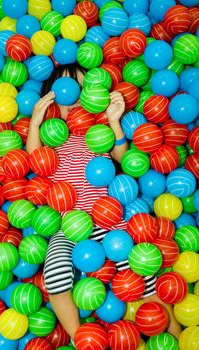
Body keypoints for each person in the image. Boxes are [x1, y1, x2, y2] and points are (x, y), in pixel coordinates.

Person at [26, 63, 181, 341]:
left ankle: (177, 335)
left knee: (142, 274)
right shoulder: (53, 140)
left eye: (82, 89)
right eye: (65, 91)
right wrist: (36, 122)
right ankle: (80, 336)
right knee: (54, 273)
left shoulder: (97, 135)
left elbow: (123, 158)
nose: (74, 98)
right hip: (68, 225)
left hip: (108, 218)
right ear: (51, 99)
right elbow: (35, 160)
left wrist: (113, 121)